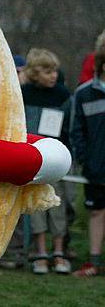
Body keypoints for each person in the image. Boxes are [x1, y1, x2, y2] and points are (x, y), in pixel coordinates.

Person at [21, 49, 71, 274]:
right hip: (32, 156)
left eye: (55, 71)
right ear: (34, 72)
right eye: (47, 71)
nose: (53, 75)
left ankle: (59, 252)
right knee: (36, 205)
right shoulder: (23, 94)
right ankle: (40, 252)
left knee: (58, 204)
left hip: (58, 156)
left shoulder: (62, 95)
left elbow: (69, 126)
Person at [71, 49, 105, 277]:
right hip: (97, 168)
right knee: (97, 213)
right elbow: (77, 132)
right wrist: (87, 159)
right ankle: (92, 262)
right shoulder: (84, 94)